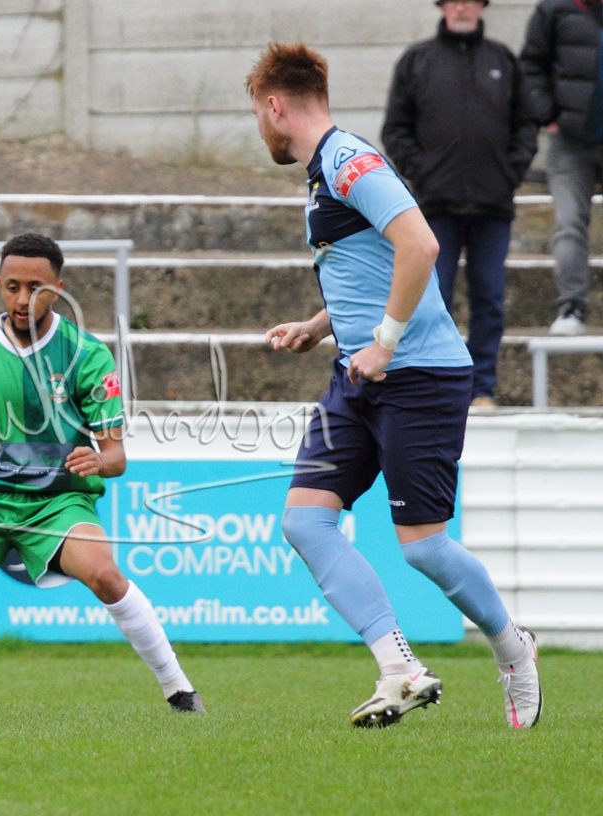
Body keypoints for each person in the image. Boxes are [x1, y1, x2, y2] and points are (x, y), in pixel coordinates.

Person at [247, 43, 542, 728]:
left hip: (420, 377)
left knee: (424, 547)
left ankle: (512, 648)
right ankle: (400, 668)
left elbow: (422, 245)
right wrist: (318, 326)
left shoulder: (350, 162)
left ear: (274, 106)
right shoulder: (324, 172)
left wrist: (383, 341)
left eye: (257, 114)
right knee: (305, 521)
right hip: (358, 376)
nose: (259, 128)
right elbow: (374, 265)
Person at [0, 233, 206, 714]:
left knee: (105, 575)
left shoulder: (87, 354)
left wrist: (98, 460)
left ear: (58, 290)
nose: (23, 299)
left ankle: (179, 690)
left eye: (36, 288)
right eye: (12, 287)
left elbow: (116, 456)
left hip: (58, 501)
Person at [383, 0, 538, 407]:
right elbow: (395, 129)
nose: (462, 8)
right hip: (436, 210)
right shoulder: (417, 60)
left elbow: (526, 125)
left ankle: (481, 388)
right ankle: (440, 387)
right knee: (434, 299)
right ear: (443, 7)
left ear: (482, 7)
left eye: (470, 0)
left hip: (493, 208)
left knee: (489, 300)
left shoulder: (503, 60)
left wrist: (509, 174)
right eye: (454, 1)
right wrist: (423, 174)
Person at [520, 0, 603, 335]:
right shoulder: (555, 8)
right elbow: (531, 66)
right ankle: (571, 306)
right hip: (570, 141)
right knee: (569, 224)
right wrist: (547, 114)